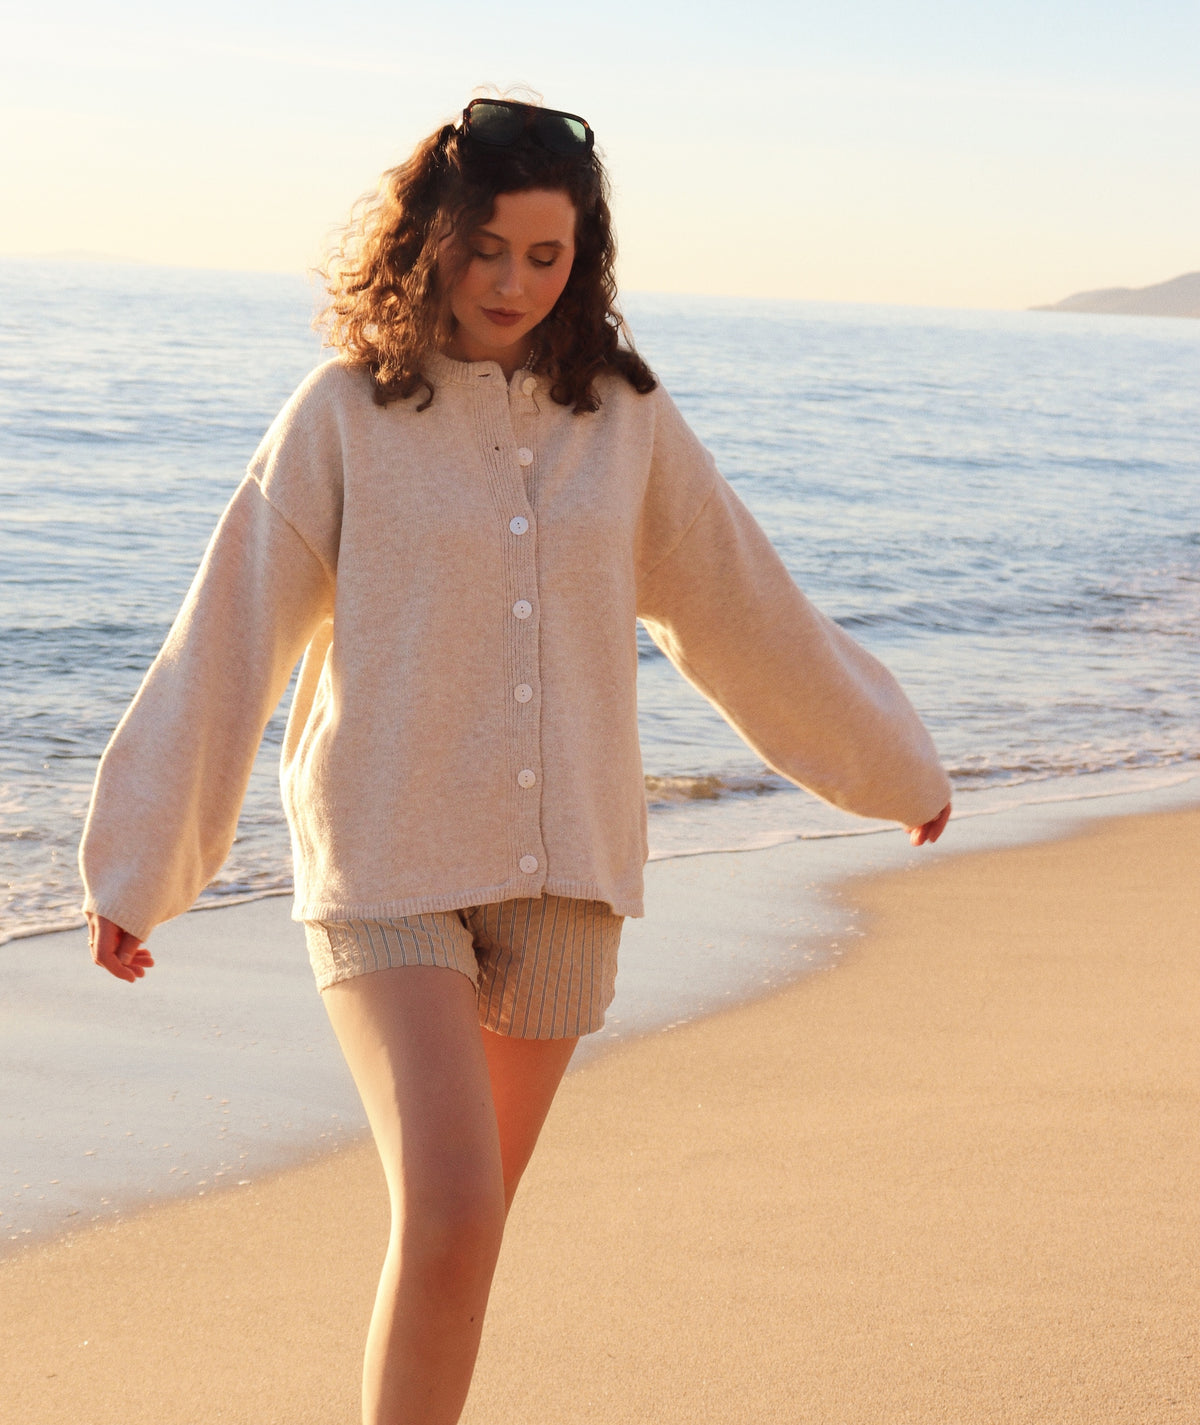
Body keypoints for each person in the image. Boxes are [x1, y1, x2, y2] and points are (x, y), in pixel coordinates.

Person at [80, 97, 952, 1425]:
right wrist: (141, 858)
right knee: (449, 1204)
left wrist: (894, 764)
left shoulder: (624, 416)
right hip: (388, 858)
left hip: (569, 875)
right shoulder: (344, 411)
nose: (512, 282)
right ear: (429, 236)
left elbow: (739, 608)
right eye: (488, 247)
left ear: (581, 259)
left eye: (546, 256)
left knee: (469, 1239)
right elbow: (234, 627)